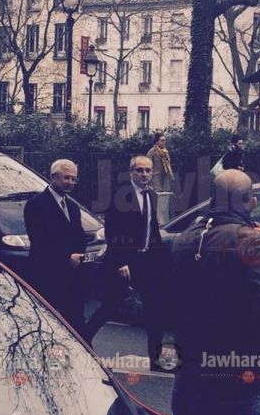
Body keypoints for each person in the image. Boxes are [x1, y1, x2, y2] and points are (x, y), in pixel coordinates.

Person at [168, 169, 260, 415]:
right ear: (252, 202)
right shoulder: (254, 243)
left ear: (212, 200)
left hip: (189, 379)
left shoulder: (185, 238)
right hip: (235, 382)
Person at [83, 155, 166, 368]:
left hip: (146, 260)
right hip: (124, 261)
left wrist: (159, 257)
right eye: (140, 170)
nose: (144, 174)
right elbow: (112, 231)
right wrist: (120, 261)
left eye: (148, 170)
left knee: (155, 307)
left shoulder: (151, 195)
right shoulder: (119, 195)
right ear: (131, 172)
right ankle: (84, 338)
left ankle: (156, 358)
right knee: (111, 305)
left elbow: (152, 228)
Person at [24, 159, 87, 329]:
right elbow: (39, 241)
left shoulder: (73, 206)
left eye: (74, 179)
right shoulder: (35, 205)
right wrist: (66, 257)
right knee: (48, 325)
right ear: (53, 177)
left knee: (75, 324)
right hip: (46, 275)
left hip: (71, 277)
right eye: (66, 178)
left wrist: (79, 255)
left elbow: (79, 235)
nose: (70, 182)